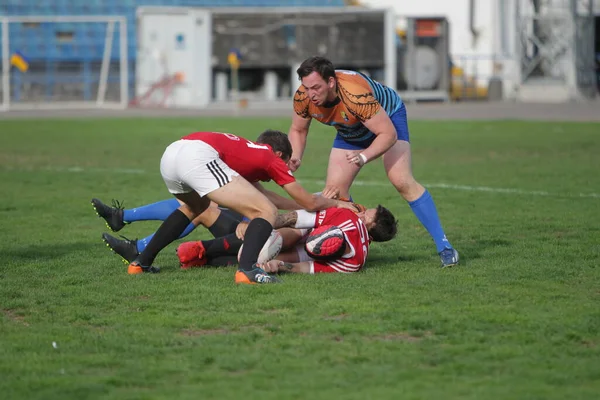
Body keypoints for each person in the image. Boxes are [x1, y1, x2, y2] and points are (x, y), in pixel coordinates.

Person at [107, 129, 357, 284]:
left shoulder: (247, 153)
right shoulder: (272, 158)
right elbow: (307, 201)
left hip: (173, 153)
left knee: (196, 208)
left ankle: (140, 262)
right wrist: (333, 202)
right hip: (196, 156)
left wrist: (303, 205)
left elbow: (272, 197)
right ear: (280, 154)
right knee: (265, 212)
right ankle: (247, 271)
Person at [287, 56, 459, 268]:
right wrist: (295, 157)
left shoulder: (354, 94)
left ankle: (445, 247)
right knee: (335, 193)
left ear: (331, 82)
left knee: (401, 180)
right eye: (306, 87)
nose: (311, 94)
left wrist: (364, 156)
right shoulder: (303, 96)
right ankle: (350, 243)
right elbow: (298, 129)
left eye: (316, 87)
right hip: (350, 128)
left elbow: (387, 134)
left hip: (387, 120)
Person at [176, 205, 398, 274]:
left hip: (307, 231)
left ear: (371, 224)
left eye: (366, 214)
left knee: (270, 238)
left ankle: (199, 249)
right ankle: (203, 260)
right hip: (309, 246)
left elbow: (297, 217)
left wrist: (260, 226)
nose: (361, 212)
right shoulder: (357, 261)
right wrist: (280, 266)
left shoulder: (349, 217)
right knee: (265, 258)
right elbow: (310, 268)